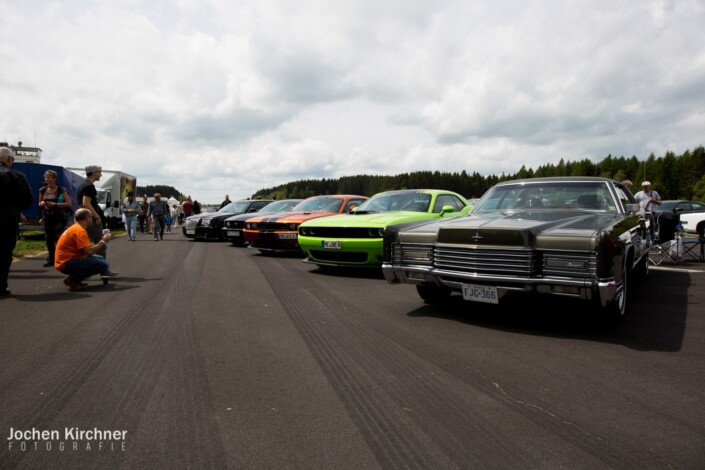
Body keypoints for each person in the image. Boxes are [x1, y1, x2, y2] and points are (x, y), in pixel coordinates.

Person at [0, 147, 34, 297]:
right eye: (12, 159)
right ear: (8, 159)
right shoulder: (16, 176)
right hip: (6, 221)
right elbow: (27, 201)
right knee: (4, 254)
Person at [54, 208, 114, 291]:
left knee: (100, 258)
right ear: (87, 218)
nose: (92, 219)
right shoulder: (80, 231)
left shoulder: (76, 228)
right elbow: (89, 251)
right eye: (91, 217)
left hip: (66, 261)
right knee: (103, 264)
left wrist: (100, 239)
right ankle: (74, 280)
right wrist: (103, 241)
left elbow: (87, 247)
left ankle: (73, 279)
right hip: (67, 263)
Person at [38, 170, 72, 267]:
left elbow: (68, 203)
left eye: (48, 177)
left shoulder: (61, 190)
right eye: (45, 177)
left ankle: (64, 257)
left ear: (54, 178)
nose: (46, 179)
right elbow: (39, 204)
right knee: (48, 239)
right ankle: (51, 259)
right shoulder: (42, 190)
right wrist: (42, 205)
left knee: (58, 238)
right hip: (47, 217)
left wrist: (55, 204)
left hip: (59, 217)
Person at [77, 165, 107, 258]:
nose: (101, 175)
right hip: (90, 219)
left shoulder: (83, 185)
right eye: (99, 172)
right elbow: (86, 203)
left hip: (83, 219)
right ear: (94, 173)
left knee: (86, 244)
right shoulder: (89, 186)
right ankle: (103, 268)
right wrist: (96, 216)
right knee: (101, 244)